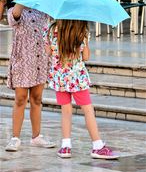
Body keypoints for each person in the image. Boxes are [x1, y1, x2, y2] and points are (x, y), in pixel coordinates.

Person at [44, 20, 119, 159]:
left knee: (66, 111)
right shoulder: (81, 31)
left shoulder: (50, 30)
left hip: (59, 77)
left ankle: (65, 146)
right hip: (77, 78)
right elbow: (85, 57)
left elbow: (48, 52)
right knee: (88, 110)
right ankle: (97, 145)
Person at [5, 0, 56, 151]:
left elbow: (52, 5)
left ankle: (36, 136)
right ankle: (15, 137)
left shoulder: (41, 11)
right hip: (22, 60)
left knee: (37, 98)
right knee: (20, 99)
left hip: (40, 59)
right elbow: (16, 16)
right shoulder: (14, 10)